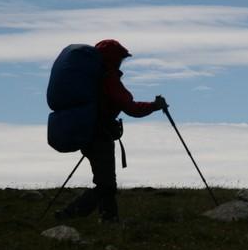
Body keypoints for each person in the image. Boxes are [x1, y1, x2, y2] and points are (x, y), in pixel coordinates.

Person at [55, 39, 167, 223]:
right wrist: (155, 106)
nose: (122, 62)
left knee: (105, 182)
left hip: (89, 132)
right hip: (100, 135)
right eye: (120, 58)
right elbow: (131, 108)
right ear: (113, 59)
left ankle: (108, 218)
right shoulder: (109, 79)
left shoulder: (93, 78)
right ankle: (71, 213)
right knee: (106, 184)